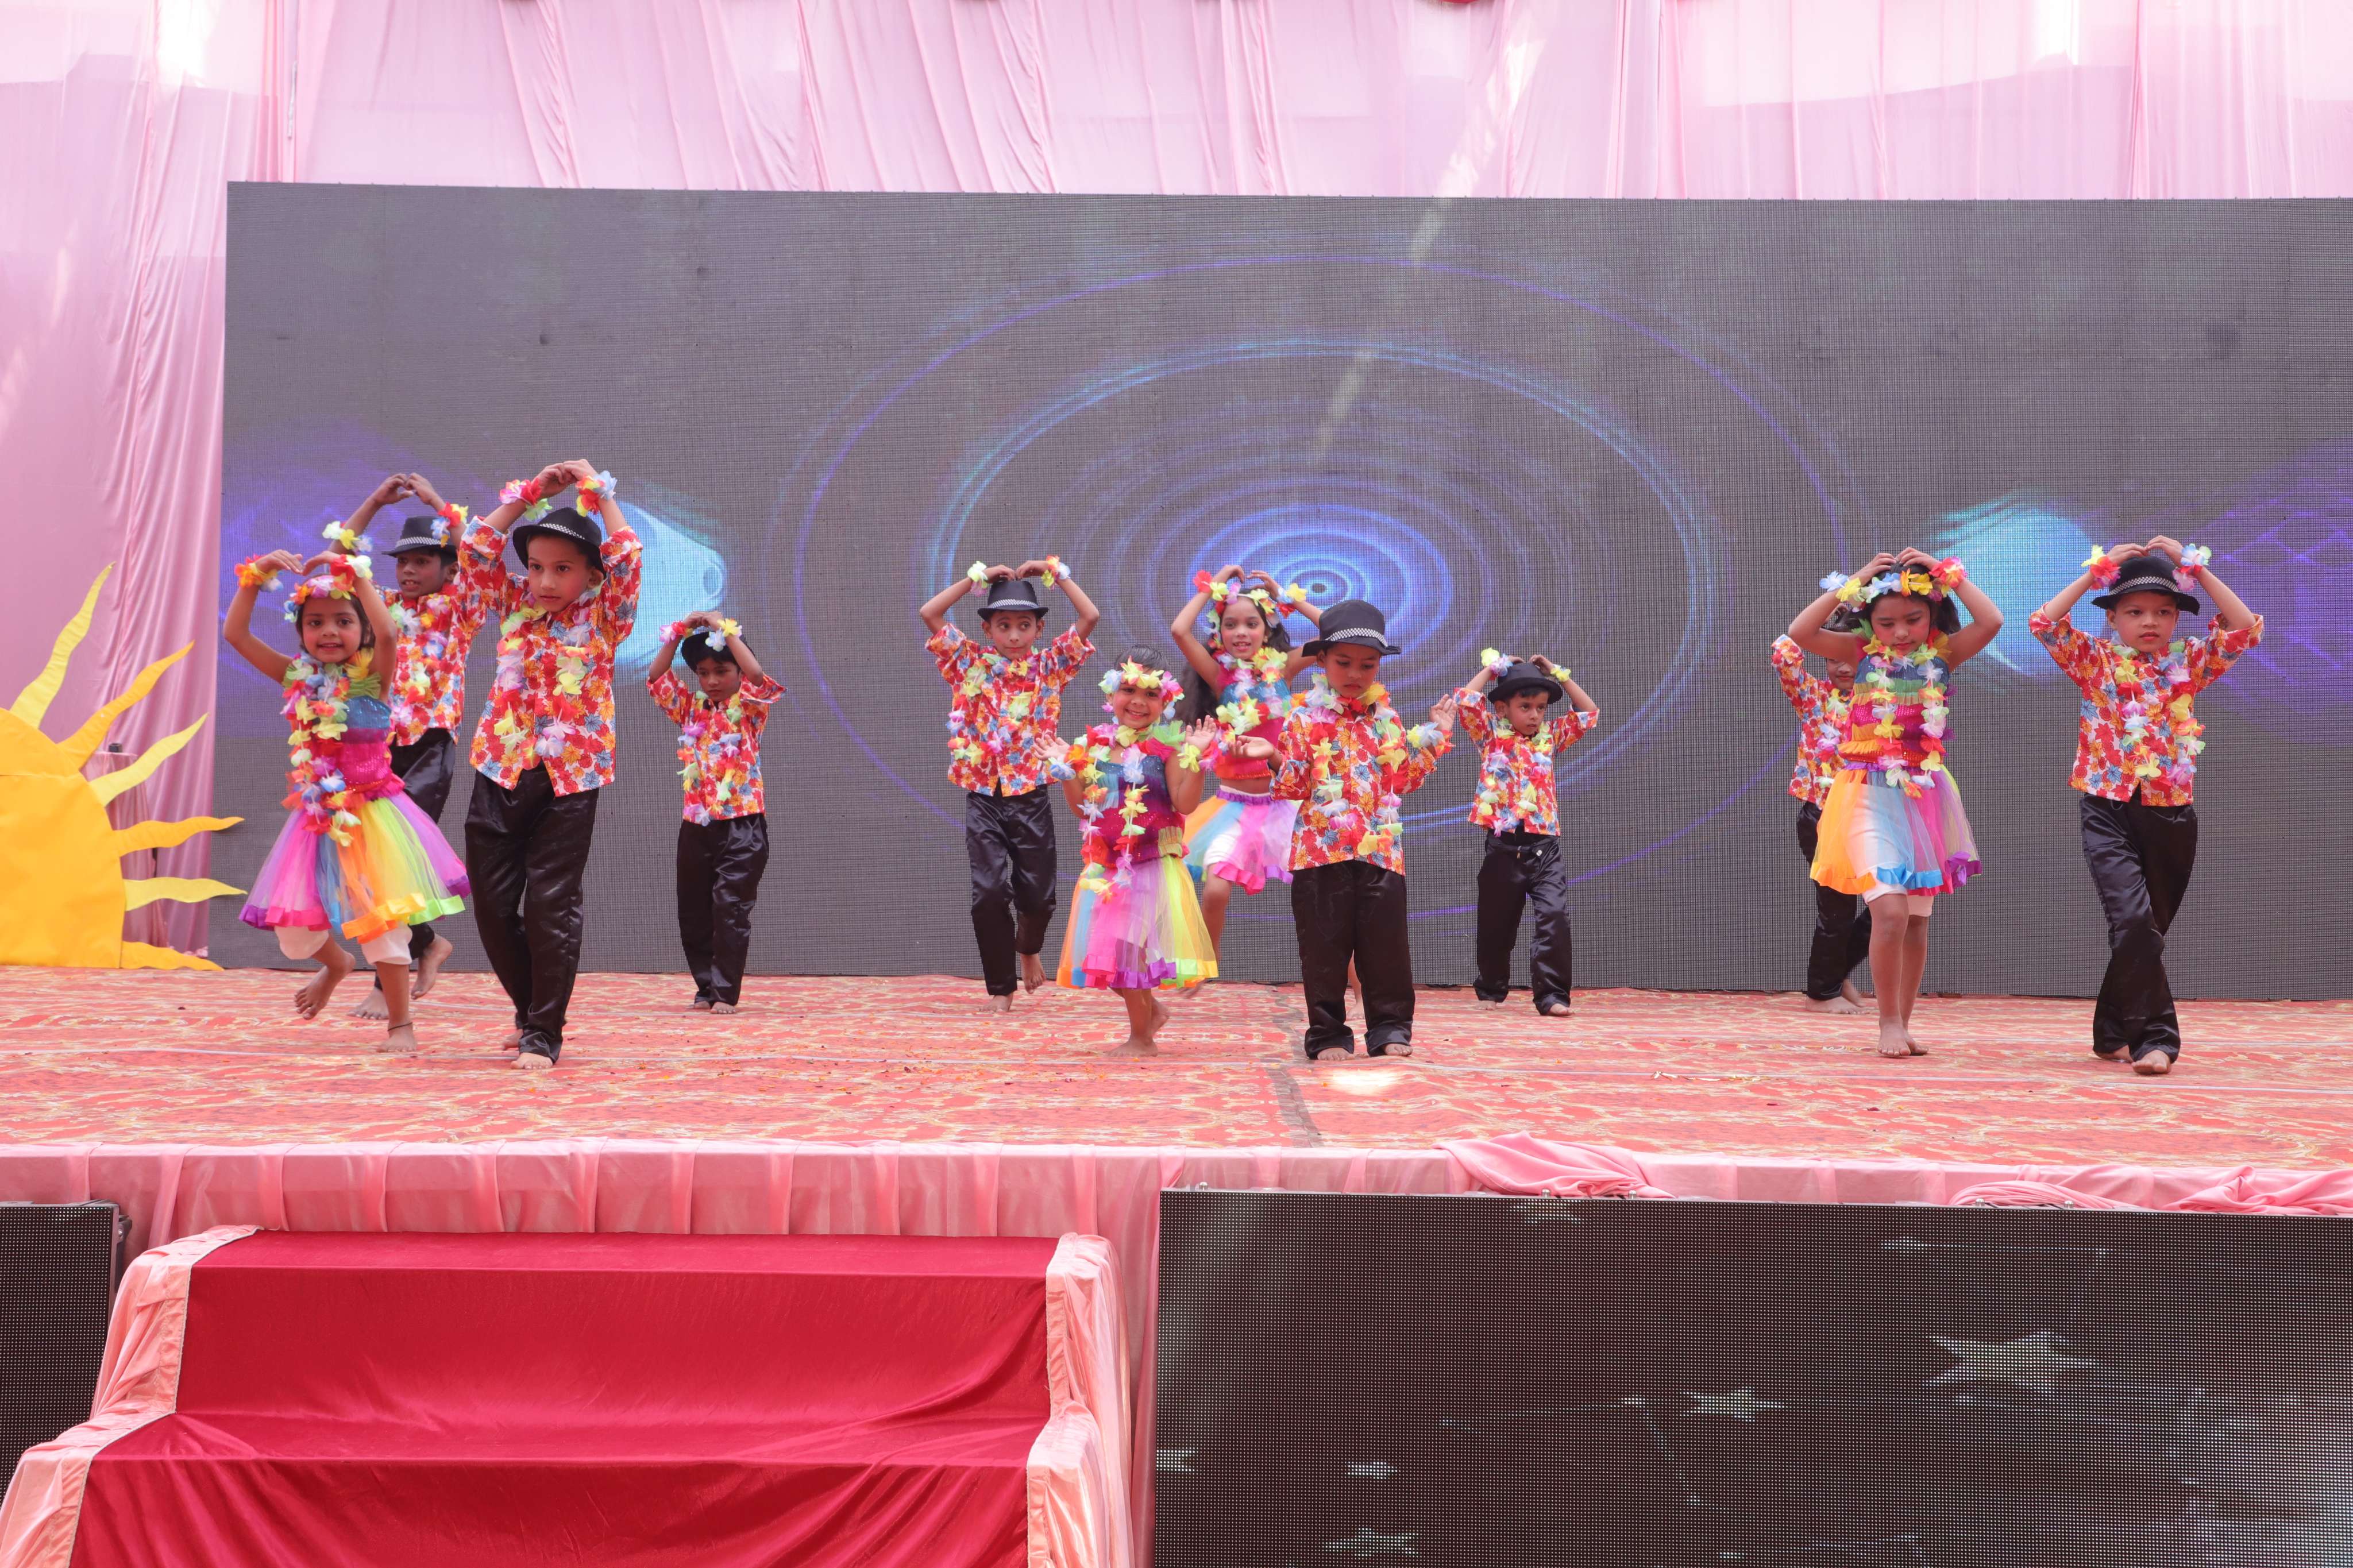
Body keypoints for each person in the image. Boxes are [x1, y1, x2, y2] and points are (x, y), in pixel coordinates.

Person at [223, 539, 469, 1055]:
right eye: (315, 623)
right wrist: (255, 575)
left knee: (383, 924)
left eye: (343, 620)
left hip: (373, 816)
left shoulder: (373, 679)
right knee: (294, 933)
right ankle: (336, 965)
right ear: (301, 634)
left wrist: (354, 573)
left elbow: (389, 632)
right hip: (316, 819)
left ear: (361, 630)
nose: (330, 631)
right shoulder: (297, 678)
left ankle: (400, 1025)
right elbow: (236, 635)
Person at [2028, 536, 2261, 1076]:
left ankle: (2112, 1033)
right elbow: (2045, 623)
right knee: (2133, 922)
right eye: (2134, 612)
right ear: (2112, 619)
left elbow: (2244, 627)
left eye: (2163, 612)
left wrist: (2195, 568)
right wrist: (2096, 572)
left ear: (2177, 619)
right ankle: (2158, 1040)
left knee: (2146, 930)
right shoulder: (2096, 661)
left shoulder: (2190, 663)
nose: (2149, 622)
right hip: (2107, 809)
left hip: (2171, 812)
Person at [1784, 549, 2003, 1060]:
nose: (1901, 632)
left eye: (1913, 619)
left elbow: (1991, 621)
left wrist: (1948, 576)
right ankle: (1885, 1023)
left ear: (1932, 615)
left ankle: (1903, 1022)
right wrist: (1857, 581)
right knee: (1889, 911)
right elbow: (1800, 631)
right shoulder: (1859, 653)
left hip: (1924, 797)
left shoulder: (1943, 656)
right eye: (1887, 623)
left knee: (1917, 921)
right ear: (1869, 623)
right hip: (1865, 793)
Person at [460, 459, 642, 1069]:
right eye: (536, 566)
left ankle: (544, 1031)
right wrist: (533, 492)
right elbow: (476, 548)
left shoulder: (606, 614)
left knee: (550, 904)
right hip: (499, 769)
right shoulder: (512, 601)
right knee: (492, 907)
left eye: (563, 569)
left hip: (570, 778)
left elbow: (628, 557)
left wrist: (597, 489)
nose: (544, 580)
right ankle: (529, 1009)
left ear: (591, 574)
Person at [1230, 598, 1456, 1061]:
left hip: (1380, 851)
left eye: (1367, 665)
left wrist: (1436, 736)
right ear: (1322, 662)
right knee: (1324, 950)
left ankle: (1390, 1029)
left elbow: (1401, 781)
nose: (1355, 673)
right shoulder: (1302, 718)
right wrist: (1271, 757)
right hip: (1319, 852)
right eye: (1344, 663)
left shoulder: (1387, 720)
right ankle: (1329, 1034)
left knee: (1386, 948)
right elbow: (1295, 787)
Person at [917, 557, 1101, 1012]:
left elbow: (1090, 616)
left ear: (1039, 630)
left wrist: (1054, 572)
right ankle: (1001, 987)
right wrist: (976, 579)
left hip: (1031, 795)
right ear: (988, 630)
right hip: (984, 796)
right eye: (1004, 626)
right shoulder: (969, 663)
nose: (1014, 636)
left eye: (1024, 626)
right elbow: (930, 613)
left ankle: (1028, 948)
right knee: (989, 894)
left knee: (1039, 897)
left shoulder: (1050, 666)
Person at [336, 472, 486, 1019]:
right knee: (376, 864)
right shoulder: (383, 607)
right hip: (377, 749)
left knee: (400, 860)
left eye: (422, 561)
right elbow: (340, 563)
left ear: (449, 569)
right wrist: (374, 502)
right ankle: (426, 943)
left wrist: (440, 505)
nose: (408, 571)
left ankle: (388, 984)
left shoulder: (462, 608)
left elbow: (482, 561)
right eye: (402, 561)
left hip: (428, 746)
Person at [1052, 649, 1222, 1053]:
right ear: (1111, 694)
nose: (1138, 702)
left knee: (1128, 954)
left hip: (1151, 867)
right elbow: (1083, 808)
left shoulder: (1169, 747)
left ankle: (1141, 1038)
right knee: (1108, 958)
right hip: (1105, 868)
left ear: (1166, 701)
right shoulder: (1093, 746)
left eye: (1150, 694)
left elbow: (1185, 805)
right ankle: (1153, 1014)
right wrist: (1066, 771)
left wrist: (1196, 759)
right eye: (1129, 690)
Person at [1169, 565, 1322, 964]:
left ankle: (1356, 986)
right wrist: (1213, 585)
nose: (1241, 632)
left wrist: (1287, 598)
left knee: (1322, 898)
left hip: (1284, 806)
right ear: (1219, 632)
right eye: (1230, 624)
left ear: (1267, 631)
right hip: (1233, 808)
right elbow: (1180, 631)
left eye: (1252, 624)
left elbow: (1335, 633)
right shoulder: (1220, 677)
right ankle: (1209, 960)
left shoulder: (1284, 668)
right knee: (1215, 891)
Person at [649, 611, 784, 1014]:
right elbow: (657, 677)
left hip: (742, 824)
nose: (711, 680)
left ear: (736, 672)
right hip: (697, 824)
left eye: (721, 671)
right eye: (703, 673)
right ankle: (706, 987)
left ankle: (725, 991)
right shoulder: (691, 709)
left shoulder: (751, 708)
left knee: (730, 907)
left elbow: (757, 675)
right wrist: (678, 633)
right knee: (694, 910)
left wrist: (725, 629)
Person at [1454, 651, 1599, 1016]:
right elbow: (1466, 701)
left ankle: (1552, 996)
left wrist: (1558, 673)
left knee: (1554, 917)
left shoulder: (1550, 737)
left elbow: (1589, 712)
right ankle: (1491, 989)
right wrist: (1492, 669)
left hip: (1544, 848)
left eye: (1541, 708)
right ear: (1502, 709)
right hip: (1503, 847)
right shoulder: (1490, 734)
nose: (1535, 715)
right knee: (1496, 925)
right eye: (1525, 707)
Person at [1770, 606, 1872, 1014]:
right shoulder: (1815, 697)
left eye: (1851, 656)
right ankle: (1821, 992)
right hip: (1824, 816)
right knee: (1838, 908)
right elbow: (1785, 652)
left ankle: (1834, 973)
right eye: (1832, 657)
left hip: (1875, 815)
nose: (1842, 667)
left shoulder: (1887, 697)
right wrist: (1841, 597)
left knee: (1894, 903)